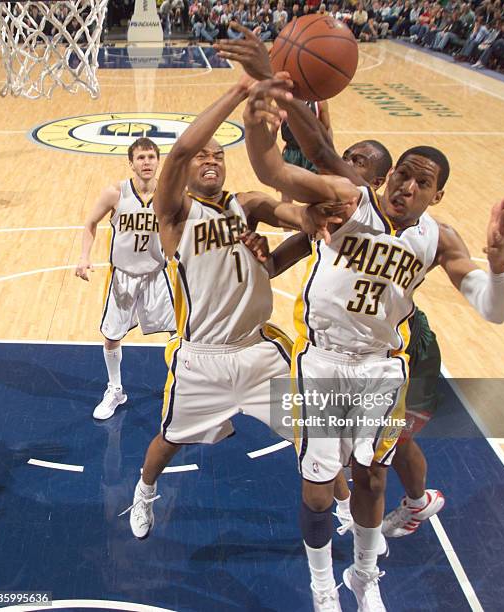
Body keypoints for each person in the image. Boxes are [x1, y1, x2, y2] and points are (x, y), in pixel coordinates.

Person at [242, 78, 504, 612]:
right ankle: (323, 585)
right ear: (388, 177)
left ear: (437, 195)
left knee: (371, 476)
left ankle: (364, 578)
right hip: (319, 361)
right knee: (319, 490)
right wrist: (268, 113)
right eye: (402, 175)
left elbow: (493, 309)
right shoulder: (352, 203)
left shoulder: (441, 237)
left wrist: (501, 267)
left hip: (381, 367)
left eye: (422, 182)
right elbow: (285, 166)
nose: (407, 187)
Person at [216, 24, 446, 545]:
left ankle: (416, 502)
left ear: (378, 180)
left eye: (362, 165)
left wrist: (284, 87)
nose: (353, 170)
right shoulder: (342, 209)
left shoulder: (385, 208)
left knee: (392, 443)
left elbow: (324, 158)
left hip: (406, 342)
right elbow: (305, 235)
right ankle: (361, 496)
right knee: (352, 452)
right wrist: (268, 260)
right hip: (343, 348)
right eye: (354, 160)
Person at [121, 72, 342, 541]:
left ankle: (344, 505)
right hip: (202, 356)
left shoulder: (247, 204)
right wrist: (238, 93)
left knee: (317, 434)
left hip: (260, 351)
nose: (211, 161)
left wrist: (315, 219)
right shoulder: (174, 213)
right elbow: (179, 152)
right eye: (205, 155)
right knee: (169, 441)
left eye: (219, 156)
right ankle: (143, 492)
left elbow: (295, 221)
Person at [75, 137, 175, 420]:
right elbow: (90, 223)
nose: (146, 162)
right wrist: (84, 256)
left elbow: (183, 228)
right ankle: (115, 389)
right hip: (124, 278)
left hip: (157, 276)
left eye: (151, 157)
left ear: (158, 161)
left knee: (178, 333)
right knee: (111, 337)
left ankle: (183, 385)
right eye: (141, 158)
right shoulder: (115, 193)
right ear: (131, 163)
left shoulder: (169, 194)